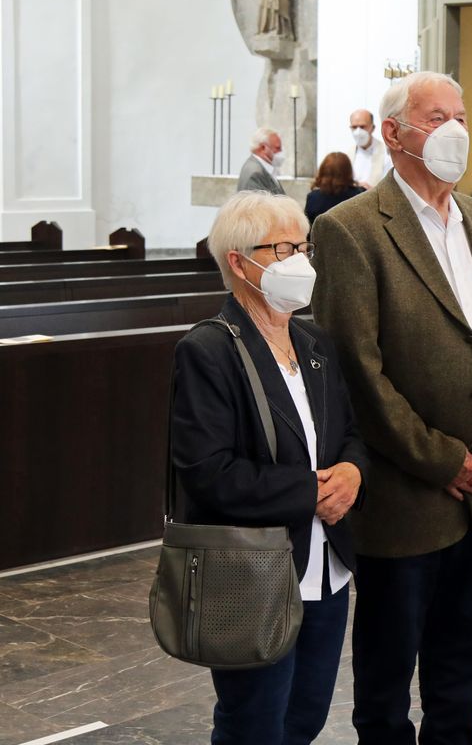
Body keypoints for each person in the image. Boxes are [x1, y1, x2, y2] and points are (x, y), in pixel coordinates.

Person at [310, 71, 472, 745]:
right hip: (405, 499)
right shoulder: (351, 229)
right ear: (393, 133)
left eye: (461, 115)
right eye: (436, 117)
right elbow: (358, 370)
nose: (455, 130)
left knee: (461, 670)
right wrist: (444, 459)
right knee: (386, 679)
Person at [170, 190, 367, 744]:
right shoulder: (209, 350)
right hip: (253, 573)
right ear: (239, 261)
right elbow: (208, 471)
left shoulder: (313, 341)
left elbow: (348, 433)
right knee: (254, 724)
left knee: (304, 718)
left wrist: (352, 473)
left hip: (326, 568)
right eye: (284, 248)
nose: (301, 261)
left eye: (304, 246)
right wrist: (310, 491)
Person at [304, 152, 363, 225]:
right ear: (348, 172)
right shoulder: (360, 196)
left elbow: (308, 230)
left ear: (322, 172)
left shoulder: (312, 198)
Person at [344, 108, 388, 189]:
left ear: (373, 127)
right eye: (354, 127)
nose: (358, 131)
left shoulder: (386, 153)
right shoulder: (347, 154)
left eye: (362, 127)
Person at [238, 127, 287, 195]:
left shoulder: (264, 169)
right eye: (277, 148)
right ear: (263, 148)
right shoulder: (255, 172)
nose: (281, 152)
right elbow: (259, 204)